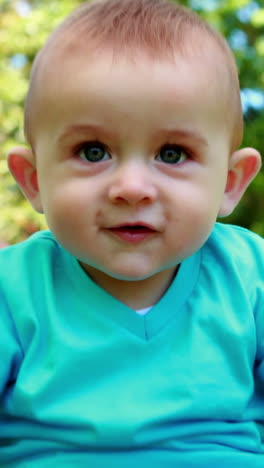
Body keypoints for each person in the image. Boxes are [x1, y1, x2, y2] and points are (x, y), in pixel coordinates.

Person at [0, 0, 263, 466]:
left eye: (173, 154)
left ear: (229, 182)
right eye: (94, 151)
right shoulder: (13, 290)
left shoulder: (250, 279)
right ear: (34, 179)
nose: (132, 189)